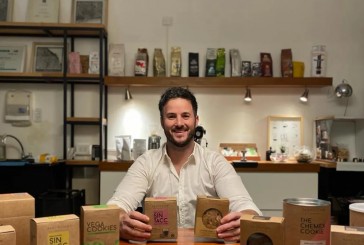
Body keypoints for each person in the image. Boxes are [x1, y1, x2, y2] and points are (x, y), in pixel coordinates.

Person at [107, 87, 261, 242]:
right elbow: (116, 206)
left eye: (185, 116)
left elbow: (246, 206)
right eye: (171, 116)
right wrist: (119, 220)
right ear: (162, 121)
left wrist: (245, 221)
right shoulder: (146, 163)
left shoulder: (215, 162)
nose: (179, 123)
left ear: (196, 120)